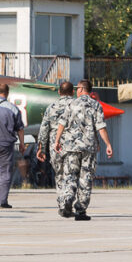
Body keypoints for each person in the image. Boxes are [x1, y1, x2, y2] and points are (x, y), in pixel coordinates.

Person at [53, 79, 113, 221]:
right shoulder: (95, 105)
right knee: (85, 178)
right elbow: (101, 127)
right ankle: (80, 210)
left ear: (80, 89)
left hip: (71, 147)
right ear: (90, 91)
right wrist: (108, 144)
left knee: (70, 175)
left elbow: (62, 123)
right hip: (88, 147)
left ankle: (68, 198)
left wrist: (57, 140)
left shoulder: (70, 104)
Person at [36, 80, 74, 217]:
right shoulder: (75, 105)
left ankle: (62, 204)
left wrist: (41, 148)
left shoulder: (51, 107)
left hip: (55, 146)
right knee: (71, 175)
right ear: (72, 92)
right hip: (72, 145)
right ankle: (69, 199)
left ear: (59, 92)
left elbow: (44, 129)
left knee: (59, 175)